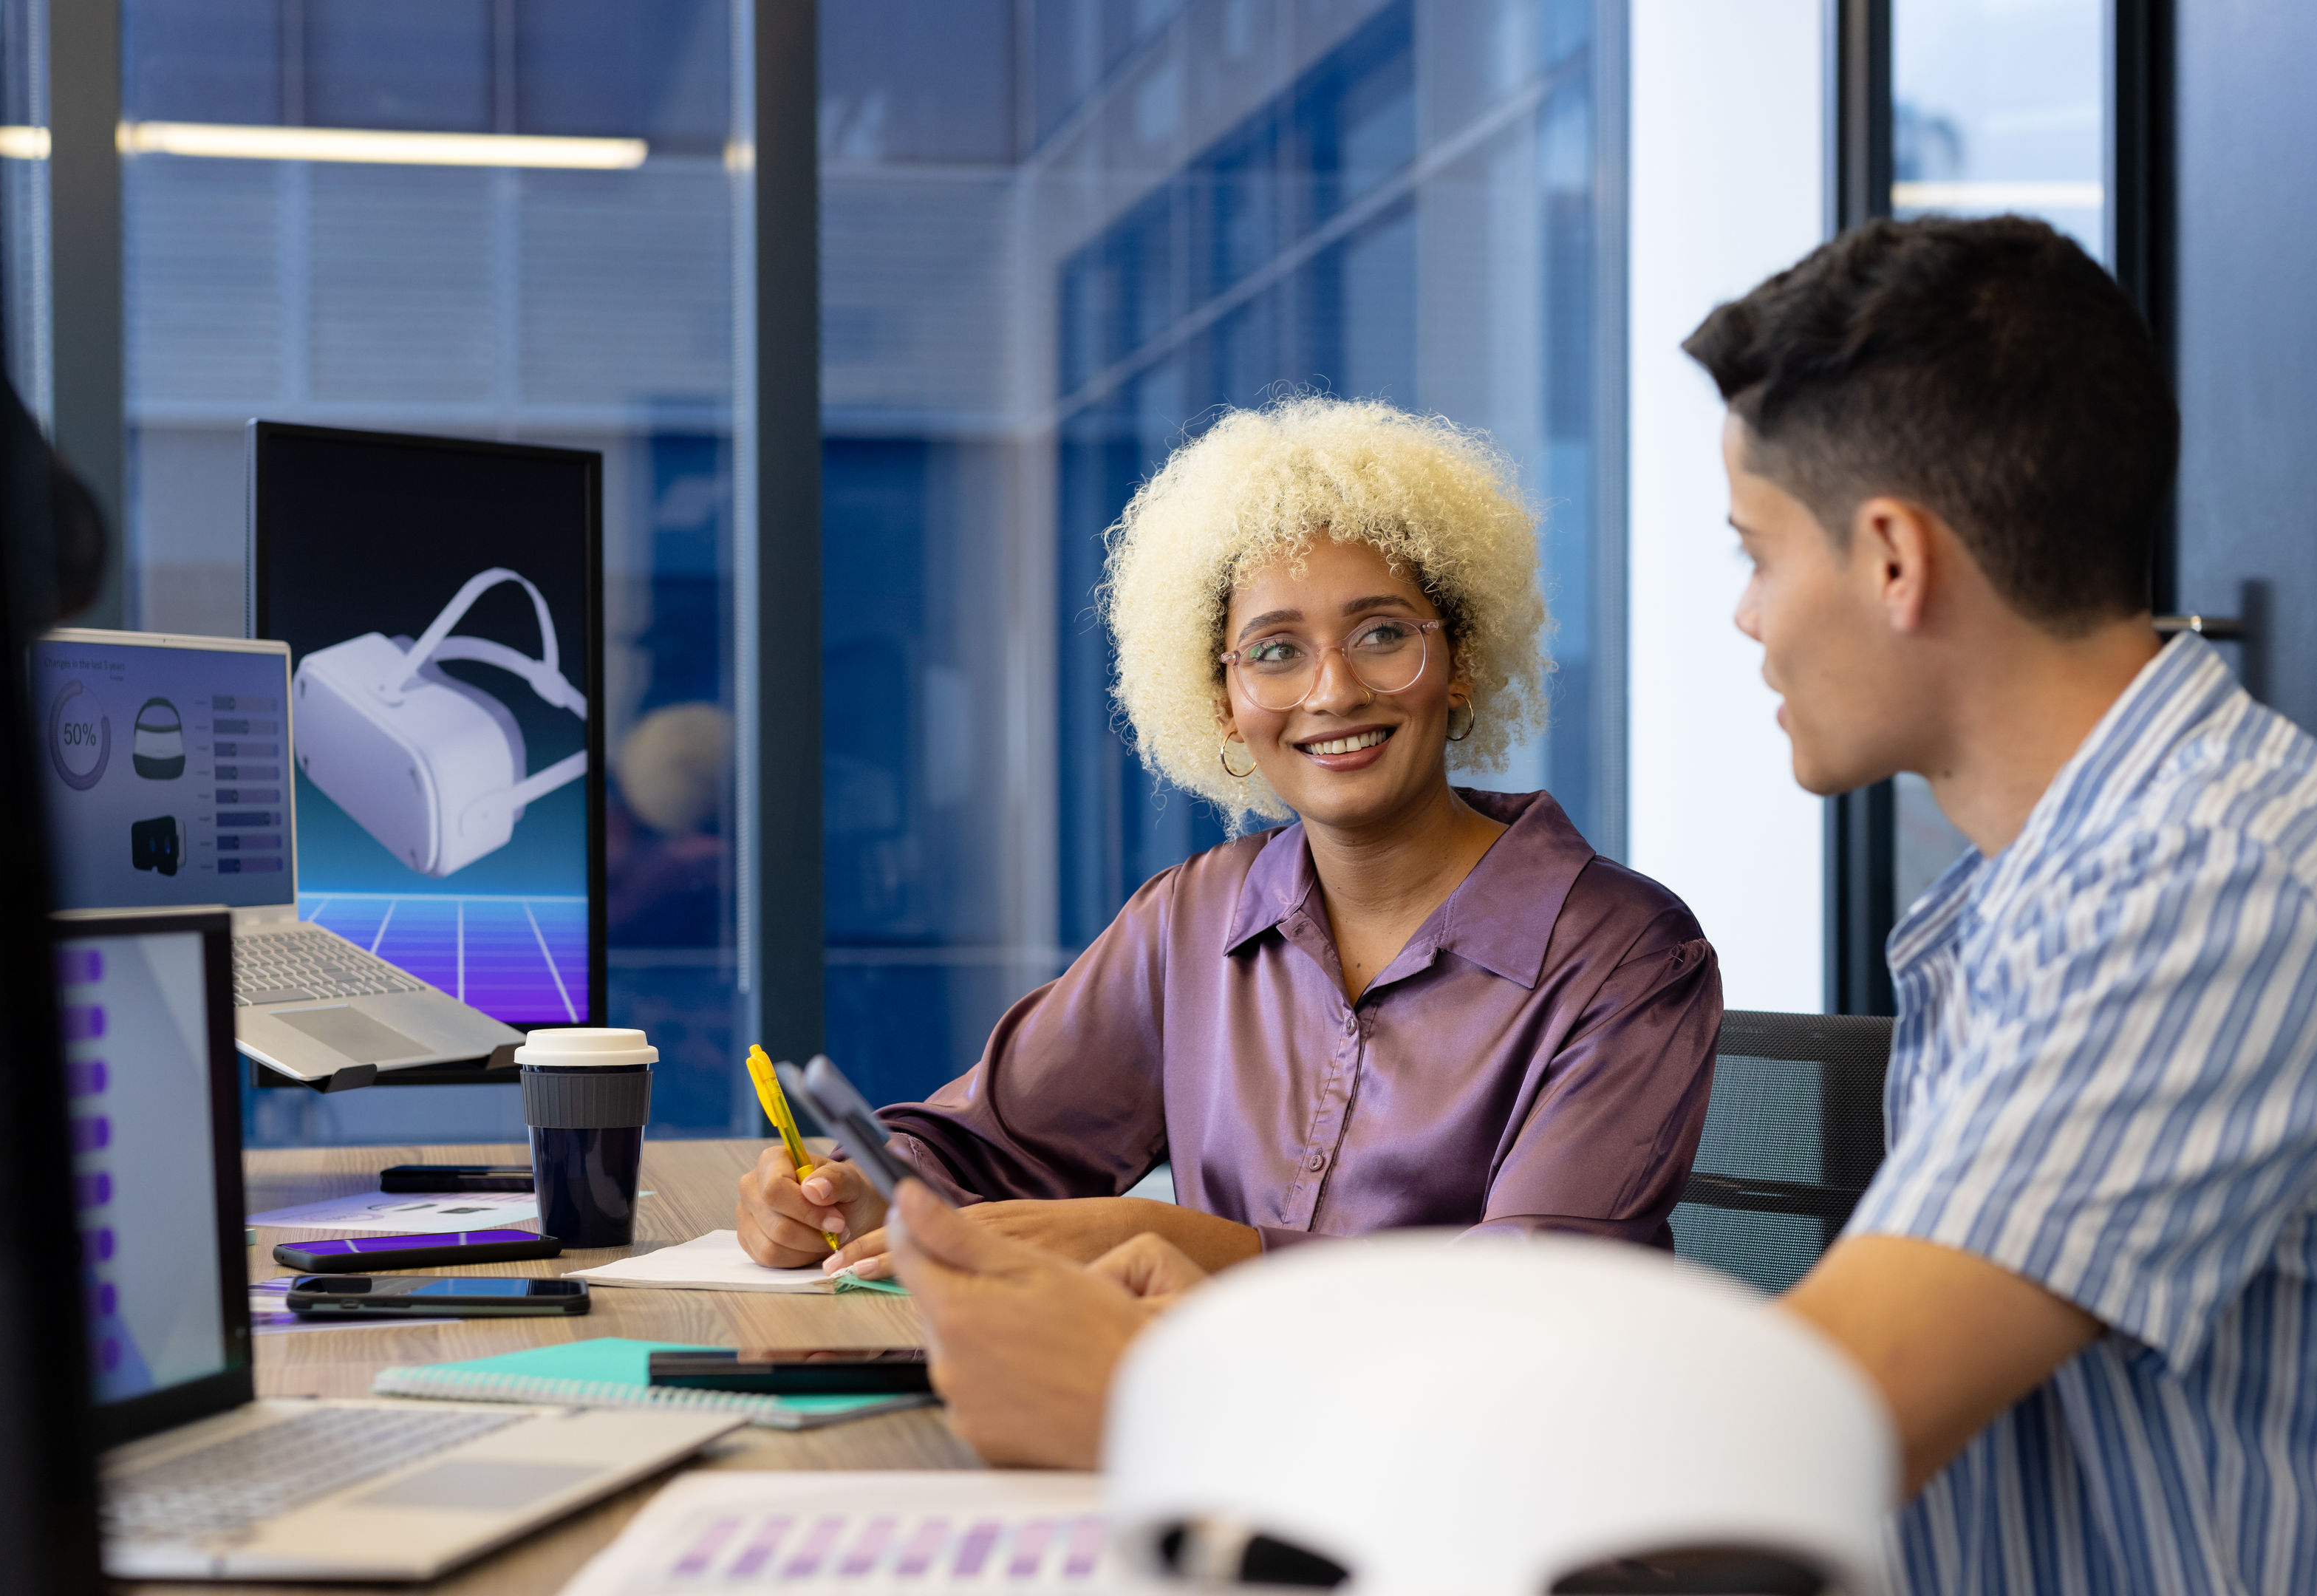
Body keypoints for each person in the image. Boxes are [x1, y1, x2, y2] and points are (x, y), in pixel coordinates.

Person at [886, 215, 2317, 1596]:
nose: (1744, 619)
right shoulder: (2045, 891)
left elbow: (1814, 1419)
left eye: (1754, 552)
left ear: (1893, 561)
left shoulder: (2197, 894)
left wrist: (1168, 1399)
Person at [734, 396, 1721, 1279]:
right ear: (1223, 704)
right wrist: (855, 1192)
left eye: (1383, 633)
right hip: (1197, 1432)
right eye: (1276, 652)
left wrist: (1204, 1251)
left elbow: (1535, 1296)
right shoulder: (1194, 918)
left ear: (1458, 660)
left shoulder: (1625, 954)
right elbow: (982, 1149)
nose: (1332, 691)